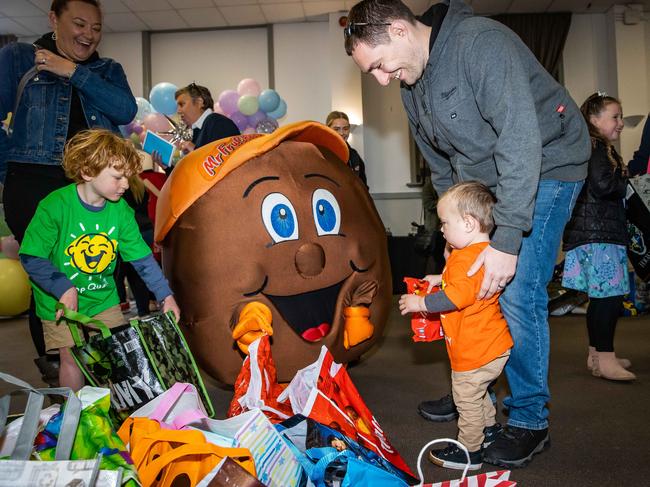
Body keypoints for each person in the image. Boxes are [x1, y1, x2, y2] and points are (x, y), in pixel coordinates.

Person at [344, 0, 591, 468]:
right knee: (470, 277)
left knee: (514, 288)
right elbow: (441, 166)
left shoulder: (480, 43)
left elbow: (520, 140)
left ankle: (529, 420)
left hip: (549, 164)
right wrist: (453, 237)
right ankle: (475, 389)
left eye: (378, 65)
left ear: (399, 30)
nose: (380, 78)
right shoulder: (412, 81)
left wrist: (507, 238)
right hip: (489, 181)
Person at [0, 0, 137, 384]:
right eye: (79, 23)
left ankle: (99, 365)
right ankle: (58, 362)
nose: (88, 34)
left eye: (96, 28)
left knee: (99, 270)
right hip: (34, 183)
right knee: (48, 273)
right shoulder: (17, 58)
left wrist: (74, 72)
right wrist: (5, 172)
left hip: (95, 183)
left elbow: (125, 110)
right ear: (52, 19)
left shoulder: (107, 69)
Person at [18, 129, 180, 391]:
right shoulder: (55, 206)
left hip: (102, 299)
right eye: (117, 177)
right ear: (87, 172)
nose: (126, 184)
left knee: (116, 356)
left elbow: (142, 260)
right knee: (72, 359)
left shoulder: (121, 212)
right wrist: (63, 287)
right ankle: (77, 417)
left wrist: (165, 296)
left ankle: (117, 413)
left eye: (127, 177)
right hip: (58, 302)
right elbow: (31, 256)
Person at [399, 182, 512, 470]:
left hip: (474, 351)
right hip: (493, 345)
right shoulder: (483, 252)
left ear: (468, 223)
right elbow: (466, 284)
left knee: (466, 399)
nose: (441, 229)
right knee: (478, 393)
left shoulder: (464, 260)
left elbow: (457, 297)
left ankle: (470, 451)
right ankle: (489, 431)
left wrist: (420, 304)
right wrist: (441, 278)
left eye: (445, 222)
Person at [562, 93, 635, 381]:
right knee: (610, 298)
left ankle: (597, 356)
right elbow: (604, 185)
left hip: (593, 232)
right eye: (615, 117)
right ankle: (606, 359)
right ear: (594, 120)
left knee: (600, 299)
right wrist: (626, 180)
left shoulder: (590, 146)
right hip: (599, 234)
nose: (620, 123)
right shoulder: (596, 148)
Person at [175, 83, 239, 153]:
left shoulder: (218, 122)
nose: (178, 111)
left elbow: (224, 159)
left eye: (182, 104)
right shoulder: (198, 130)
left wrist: (194, 151)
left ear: (199, 102)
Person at [325, 111, 368, 186]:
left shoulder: (354, 156)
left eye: (345, 129)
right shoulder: (320, 153)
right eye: (336, 129)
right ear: (327, 129)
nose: (341, 133)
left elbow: (363, 187)